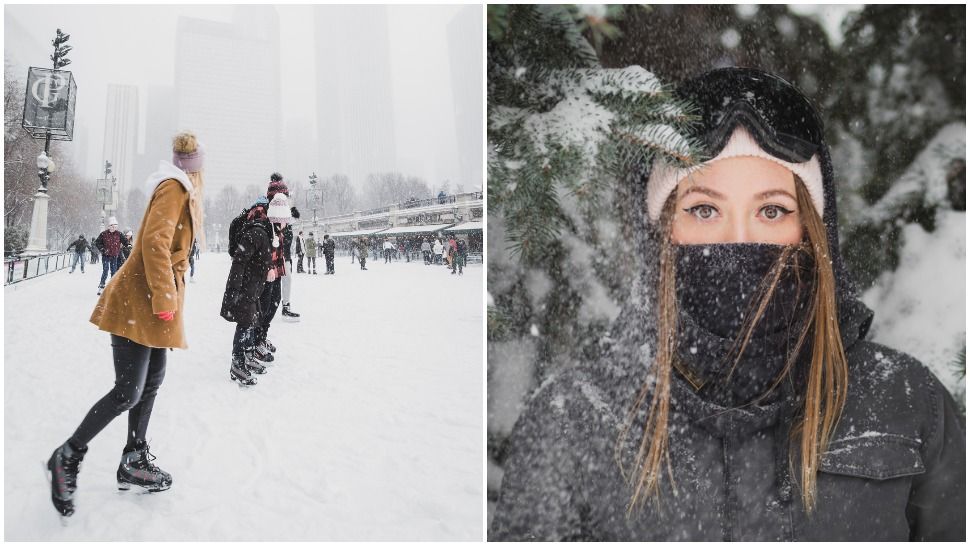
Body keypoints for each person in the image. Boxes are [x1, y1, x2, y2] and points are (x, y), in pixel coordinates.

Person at [490, 67, 965, 541]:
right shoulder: (574, 418)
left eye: (772, 210)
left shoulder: (906, 405)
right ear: (661, 233)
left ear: (814, 232)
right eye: (704, 210)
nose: (739, 240)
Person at [47, 131, 206, 517]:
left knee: (150, 383)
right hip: (141, 299)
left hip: (151, 302)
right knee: (128, 391)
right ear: (193, 165)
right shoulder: (175, 188)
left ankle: (133, 458)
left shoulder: (181, 188)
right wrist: (167, 297)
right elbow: (153, 242)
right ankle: (66, 456)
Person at [220, 196, 272, 386]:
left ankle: (248, 355)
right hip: (246, 286)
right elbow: (239, 261)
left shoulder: (262, 230)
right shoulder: (256, 231)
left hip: (253, 285)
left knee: (251, 321)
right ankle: (237, 363)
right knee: (245, 323)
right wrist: (235, 289)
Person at [251, 176, 290, 364]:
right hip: (264, 269)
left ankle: (262, 335)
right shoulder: (260, 212)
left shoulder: (280, 211)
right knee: (263, 305)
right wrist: (266, 266)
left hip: (277, 265)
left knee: (274, 302)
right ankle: (255, 341)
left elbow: (280, 238)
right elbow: (256, 241)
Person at [280, 206, 301, 321]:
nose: (294, 221)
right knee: (286, 280)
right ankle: (285, 307)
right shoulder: (283, 226)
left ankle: (286, 306)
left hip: (285, 258)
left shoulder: (288, 226)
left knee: (287, 280)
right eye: (294, 218)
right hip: (281, 257)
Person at [95, 218, 123, 295]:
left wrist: (129, 245)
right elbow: (97, 243)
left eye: (115, 226)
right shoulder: (103, 234)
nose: (113, 228)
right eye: (111, 226)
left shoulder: (119, 234)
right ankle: (101, 285)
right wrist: (103, 249)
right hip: (106, 256)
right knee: (105, 270)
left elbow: (125, 241)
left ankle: (112, 286)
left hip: (114, 256)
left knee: (113, 271)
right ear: (109, 226)